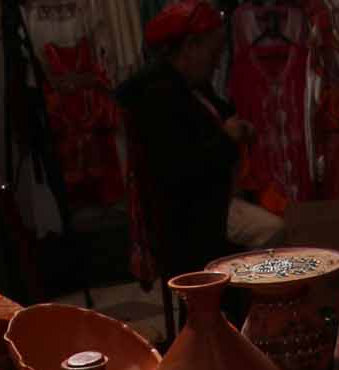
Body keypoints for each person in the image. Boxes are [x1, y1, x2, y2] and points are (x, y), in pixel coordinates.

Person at [117, 1, 285, 280]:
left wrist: (237, 129)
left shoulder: (190, 85)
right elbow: (179, 170)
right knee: (272, 231)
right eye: (213, 53)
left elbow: (217, 116)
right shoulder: (156, 96)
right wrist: (226, 138)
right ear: (190, 46)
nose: (217, 62)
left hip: (210, 201)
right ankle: (246, 295)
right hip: (189, 216)